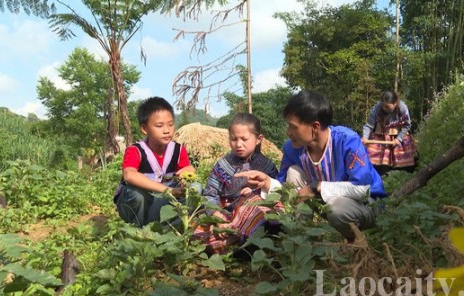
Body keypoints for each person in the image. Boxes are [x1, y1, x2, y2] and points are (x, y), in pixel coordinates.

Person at [236, 90, 387, 243]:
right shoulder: (292, 148)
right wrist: (267, 182)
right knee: (293, 172)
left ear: (315, 127)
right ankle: (303, 240)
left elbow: (363, 190)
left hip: (367, 206)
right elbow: (286, 190)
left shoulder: (347, 141)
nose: (288, 132)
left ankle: (357, 242)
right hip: (329, 203)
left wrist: (315, 188)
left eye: (293, 127)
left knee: (336, 208)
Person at [194, 113, 282, 254]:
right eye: (234, 139)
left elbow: (275, 192)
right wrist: (217, 216)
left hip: (252, 214)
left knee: (270, 209)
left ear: (259, 139)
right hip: (226, 215)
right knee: (197, 229)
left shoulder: (267, 166)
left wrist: (254, 194)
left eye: (244, 139)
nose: (238, 144)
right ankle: (241, 244)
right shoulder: (222, 166)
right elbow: (209, 194)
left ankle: (246, 242)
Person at [113, 97, 195, 227]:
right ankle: (137, 231)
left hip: (159, 205)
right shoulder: (136, 150)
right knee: (137, 194)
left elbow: (188, 168)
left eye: (170, 124)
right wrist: (169, 191)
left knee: (195, 189)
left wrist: (188, 171)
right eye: (159, 126)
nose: (167, 130)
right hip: (139, 206)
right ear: (145, 129)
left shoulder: (178, 150)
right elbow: (129, 175)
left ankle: (166, 229)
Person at [362, 90, 417, 175]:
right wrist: (365, 137)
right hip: (381, 138)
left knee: (403, 164)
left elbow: (407, 125)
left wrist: (398, 139)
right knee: (378, 164)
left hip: (399, 137)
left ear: (395, 103)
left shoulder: (402, 108)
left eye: (387, 106)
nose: (384, 108)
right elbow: (369, 125)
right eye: (383, 106)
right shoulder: (376, 108)